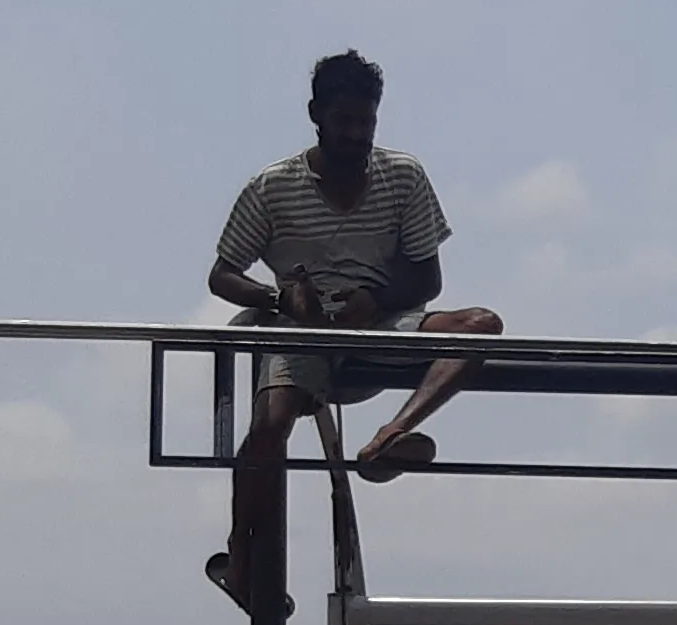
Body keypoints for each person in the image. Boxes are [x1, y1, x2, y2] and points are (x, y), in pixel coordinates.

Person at [208, 48, 498, 484]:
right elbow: (222, 276)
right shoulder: (272, 187)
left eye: (366, 122)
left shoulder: (403, 175)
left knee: (481, 325)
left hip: (381, 323)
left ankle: (389, 438)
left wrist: (373, 299)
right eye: (344, 121)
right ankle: (248, 547)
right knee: (267, 433)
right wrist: (281, 300)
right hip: (301, 333)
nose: (356, 134)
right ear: (316, 115)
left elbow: (427, 278)